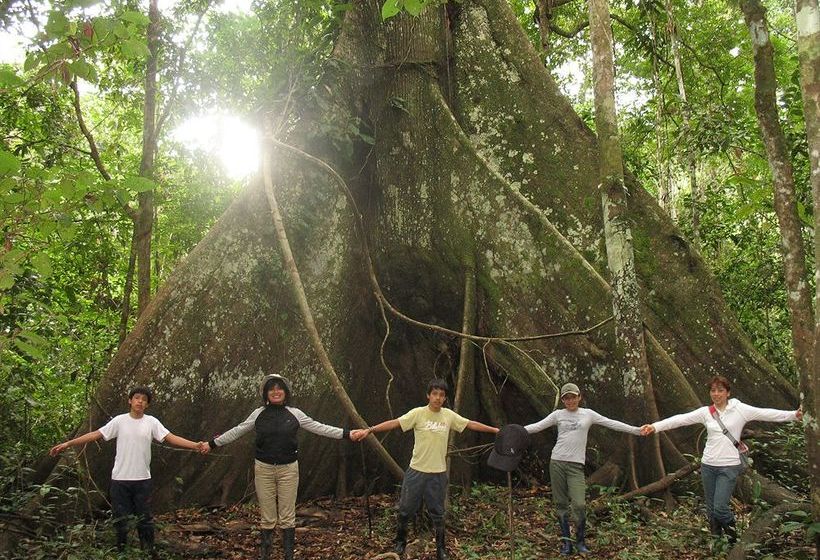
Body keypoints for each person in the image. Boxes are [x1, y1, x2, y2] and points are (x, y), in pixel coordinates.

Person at [201, 374, 367, 560]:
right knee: (268, 515)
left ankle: (288, 555)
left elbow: (320, 427)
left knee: (287, 515)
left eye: (279, 388)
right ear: (265, 393)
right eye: (271, 388)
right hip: (263, 469)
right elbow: (237, 430)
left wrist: (348, 434)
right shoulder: (258, 414)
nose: (276, 391)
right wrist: (212, 444)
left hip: (288, 469)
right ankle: (266, 553)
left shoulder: (295, 414)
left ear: (286, 393)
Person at [640, 375, 802, 544]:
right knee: (711, 509)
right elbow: (681, 419)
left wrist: (793, 415)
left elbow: (767, 414)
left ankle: (733, 541)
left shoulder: (740, 410)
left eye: (720, 390)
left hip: (729, 467)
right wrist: (655, 426)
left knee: (720, 508)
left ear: (728, 393)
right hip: (708, 465)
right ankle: (716, 541)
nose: (716, 394)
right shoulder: (706, 413)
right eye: (713, 390)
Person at [49, 386, 202, 557]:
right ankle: (122, 551)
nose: (140, 401)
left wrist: (195, 445)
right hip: (120, 480)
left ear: (147, 405)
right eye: (137, 398)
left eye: (144, 400)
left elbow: (170, 437)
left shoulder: (151, 422)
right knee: (120, 519)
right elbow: (96, 434)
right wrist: (68, 444)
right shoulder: (119, 421)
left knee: (144, 519)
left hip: (142, 480)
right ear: (130, 401)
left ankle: (148, 551)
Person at [358, 378, 499, 560]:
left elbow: (470, 423)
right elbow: (395, 423)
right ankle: (400, 543)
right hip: (416, 471)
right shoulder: (418, 414)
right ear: (428, 395)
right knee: (405, 510)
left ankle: (441, 549)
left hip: (438, 474)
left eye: (441, 395)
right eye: (434, 394)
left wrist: (495, 430)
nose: (438, 398)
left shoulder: (449, 416)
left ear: (445, 398)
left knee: (438, 513)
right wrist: (369, 430)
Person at [524, 382, 641, 556]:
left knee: (579, 504)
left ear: (579, 397)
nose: (570, 401)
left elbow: (612, 423)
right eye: (566, 398)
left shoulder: (588, 414)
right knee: (561, 504)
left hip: (576, 466)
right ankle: (566, 543)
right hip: (557, 462)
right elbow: (535, 427)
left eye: (573, 397)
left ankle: (580, 542)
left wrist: (637, 430)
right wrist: (509, 431)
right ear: (563, 400)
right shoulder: (558, 415)